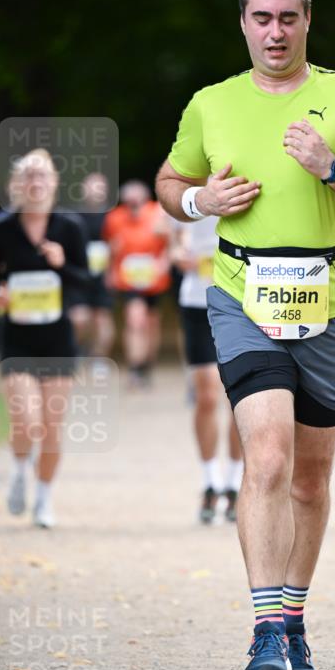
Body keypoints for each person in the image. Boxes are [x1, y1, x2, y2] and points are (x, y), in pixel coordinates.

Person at [156, 0, 335, 670]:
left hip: (329, 297)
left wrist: (332, 170)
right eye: (261, 18)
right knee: (263, 457)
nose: (274, 31)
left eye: (287, 17)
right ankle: (265, 634)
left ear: (306, 19)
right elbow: (170, 185)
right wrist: (201, 201)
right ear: (242, 22)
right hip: (240, 292)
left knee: (309, 476)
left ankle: (292, 618)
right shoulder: (212, 103)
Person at [0, 148, 89, 528]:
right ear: (17, 184)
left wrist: (63, 264)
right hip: (17, 339)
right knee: (26, 421)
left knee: (52, 427)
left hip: (57, 340)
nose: (36, 181)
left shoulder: (69, 228)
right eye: (28, 175)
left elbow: (86, 281)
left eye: (42, 175)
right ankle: (18, 469)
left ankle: (43, 498)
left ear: (55, 183)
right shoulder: (3, 230)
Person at [170, 216, 243, 524]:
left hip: (242, 301)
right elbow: (174, 238)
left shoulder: (249, 178)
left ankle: (236, 483)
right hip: (198, 301)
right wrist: (179, 252)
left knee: (242, 399)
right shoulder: (190, 179)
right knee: (208, 396)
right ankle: (210, 481)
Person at [102, 180, 171, 387]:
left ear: (145, 197)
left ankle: (147, 364)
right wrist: (111, 271)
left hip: (154, 279)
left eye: (137, 199)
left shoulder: (157, 213)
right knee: (135, 319)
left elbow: (171, 242)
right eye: (129, 200)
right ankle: (134, 367)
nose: (133, 204)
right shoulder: (114, 218)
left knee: (151, 324)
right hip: (129, 279)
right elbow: (111, 247)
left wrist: (164, 262)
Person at [68, 173, 116, 361]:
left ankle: (99, 358)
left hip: (104, 274)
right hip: (79, 273)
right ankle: (74, 352)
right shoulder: (72, 217)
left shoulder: (113, 217)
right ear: (83, 190)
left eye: (100, 188)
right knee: (79, 318)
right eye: (92, 187)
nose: (96, 192)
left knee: (102, 318)